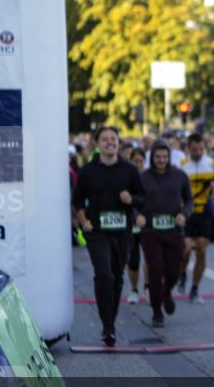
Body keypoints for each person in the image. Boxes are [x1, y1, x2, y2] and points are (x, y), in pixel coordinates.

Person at [72, 127, 145, 346]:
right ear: (97, 143)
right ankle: (108, 326)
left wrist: (130, 199)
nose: (110, 142)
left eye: (113, 139)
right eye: (105, 139)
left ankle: (110, 320)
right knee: (103, 273)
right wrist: (83, 220)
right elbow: (77, 200)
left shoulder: (130, 170)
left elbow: (142, 198)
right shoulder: (88, 171)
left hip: (122, 231)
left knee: (117, 275)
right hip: (97, 231)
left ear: (119, 143)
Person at [137, 141, 192, 326]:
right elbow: (134, 202)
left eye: (165, 157)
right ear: (152, 158)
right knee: (155, 270)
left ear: (169, 158)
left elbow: (189, 200)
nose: (161, 160)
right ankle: (156, 311)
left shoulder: (179, 175)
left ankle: (167, 292)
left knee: (174, 271)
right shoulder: (143, 177)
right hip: (150, 231)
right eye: (158, 157)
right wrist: (137, 216)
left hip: (173, 230)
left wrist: (184, 214)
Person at [179, 133, 214, 303]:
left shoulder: (213, 165)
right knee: (185, 249)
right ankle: (181, 274)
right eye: (194, 149)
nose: (198, 152)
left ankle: (194, 288)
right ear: (188, 149)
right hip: (186, 212)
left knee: (202, 250)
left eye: (201, 149)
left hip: (204, 212)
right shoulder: (180, 165)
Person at [125, 147, 148, 304]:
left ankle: (148, 287)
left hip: (148, 223)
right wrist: (135, 216)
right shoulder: (126, 178)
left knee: (149, 258)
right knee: (133, 259)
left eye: (141, 161)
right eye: (136, 161)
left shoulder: (149, 178)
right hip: (131, 223)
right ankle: (133, 289)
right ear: (131, 161)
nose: (139, 164)